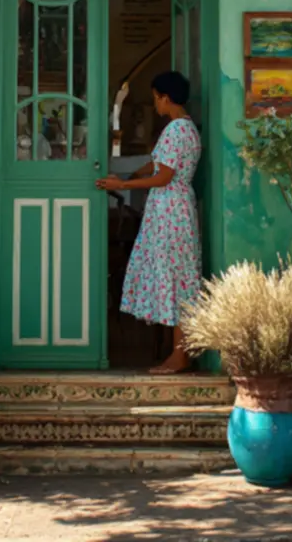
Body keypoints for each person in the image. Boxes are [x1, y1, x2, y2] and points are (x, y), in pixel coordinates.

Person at [96, 71, 202, 374]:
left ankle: (179, 355)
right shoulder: (186, 128)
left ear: (165, 98)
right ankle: (179, 352)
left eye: (156, 97)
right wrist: (130, 176)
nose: (155, 103)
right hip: (175, 209)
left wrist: (124, 187)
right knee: (178, 278)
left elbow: (164, 176)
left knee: (174, 279)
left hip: (170, 210)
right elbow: (157, 165)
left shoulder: (175, 130)